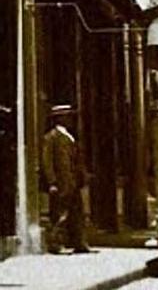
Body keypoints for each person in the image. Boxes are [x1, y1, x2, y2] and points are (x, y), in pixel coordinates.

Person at [42, 104, 90, 254]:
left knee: (77, 213)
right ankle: (56, 244)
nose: (70, 119)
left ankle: (79, 242)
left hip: (72, 181)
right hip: (61, 182)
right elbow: (47, 161)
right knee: (61, 214)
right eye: (67, 116)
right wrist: (52, 182)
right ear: (59, 118)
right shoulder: (51, 137)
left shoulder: (70, 136)